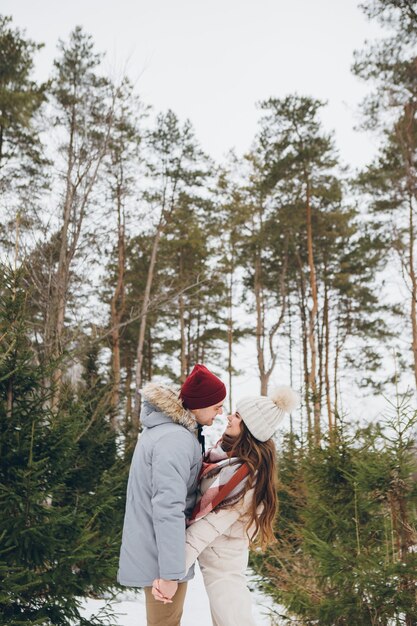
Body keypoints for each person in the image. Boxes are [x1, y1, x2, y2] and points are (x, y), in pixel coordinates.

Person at [151, 385, 300, 626]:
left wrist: (172, 574)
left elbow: (207, 526)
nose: (229, 416)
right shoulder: (225, 456)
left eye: (238, 416)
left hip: (223, 562)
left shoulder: (244, 477)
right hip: (215, 554)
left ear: (249, 429)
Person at [117, 364, 227, 626]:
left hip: (159, 551)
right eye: (216, 406)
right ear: (198, 406)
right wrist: (169, 574)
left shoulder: (167, 432)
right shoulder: (175, 439)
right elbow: (168, 507)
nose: (220, 412)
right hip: (160, 558)